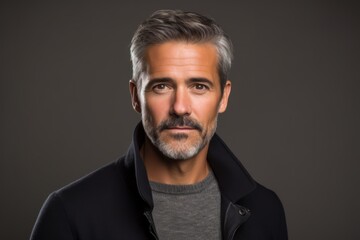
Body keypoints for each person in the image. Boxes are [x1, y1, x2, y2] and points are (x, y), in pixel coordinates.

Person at [30, 9, 288, 240]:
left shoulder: (265, 210)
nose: (179, 107)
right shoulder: (70, 213)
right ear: (135, 96)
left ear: (223, 97)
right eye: (161, 86)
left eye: (199, 86)